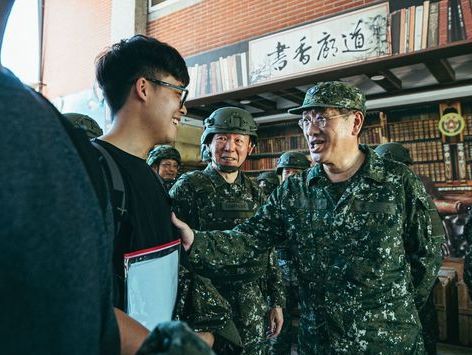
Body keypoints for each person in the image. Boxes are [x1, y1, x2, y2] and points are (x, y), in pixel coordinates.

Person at [173, 81, 445, 354]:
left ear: (355, 123)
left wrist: (388, 309)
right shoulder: (294, 191)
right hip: (318, 342)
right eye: (306, 119)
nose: (311, 129)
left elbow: (426, 257)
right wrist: (194, 240)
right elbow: (250, 240)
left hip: (386, 343)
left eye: (322, 118)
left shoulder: (397, 182)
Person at [94, 34, 238, 349]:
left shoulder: (152, 179)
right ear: (143, 88)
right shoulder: (93, 172)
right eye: (178, 93)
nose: (183, 109)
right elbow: (80, 296)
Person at [170, 107, 285, 354]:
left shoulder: (257, 193)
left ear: (250, 148)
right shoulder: (189, 187)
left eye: (238, 140)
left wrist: (276, 301)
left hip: (253, 303)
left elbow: (269, 249)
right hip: (206, 308)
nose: (229, 147)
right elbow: (174, 251)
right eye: (221, 138)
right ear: (208, 144)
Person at [375, 142, 442, 355]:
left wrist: (409, 299)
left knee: (423, 341)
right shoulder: (378, 197)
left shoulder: (416, 196)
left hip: (412, 294)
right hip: (388, 298)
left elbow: (430, 253)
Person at [270, 151, 311, 355]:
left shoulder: (315, 200)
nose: (292, 175)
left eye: (297, 171)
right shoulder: (273, 200)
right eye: (287, 171)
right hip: (281, 274)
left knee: (311, 326)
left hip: (308, 273)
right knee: (278, 328)